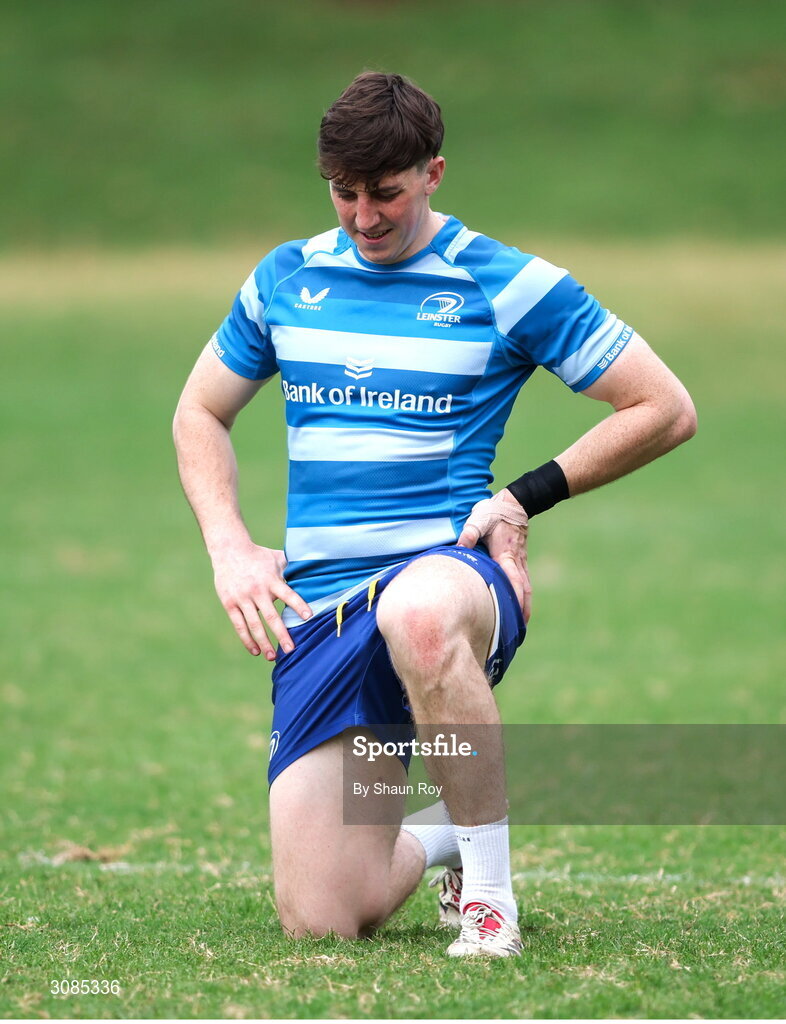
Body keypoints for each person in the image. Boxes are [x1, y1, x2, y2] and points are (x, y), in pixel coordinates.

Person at [173, 71, 696, 957]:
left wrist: (520, 498)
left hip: (452, 579)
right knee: (326, 917)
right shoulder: (288, 277)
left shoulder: (506, 282)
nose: (365, 216)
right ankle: (451, 825)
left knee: (413, 613)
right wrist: (229, 546)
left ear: (434, 173)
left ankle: (489, 901)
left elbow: (662, 407)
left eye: (387, 192)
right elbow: (199, 412)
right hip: (322, 612)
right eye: (346, 194)